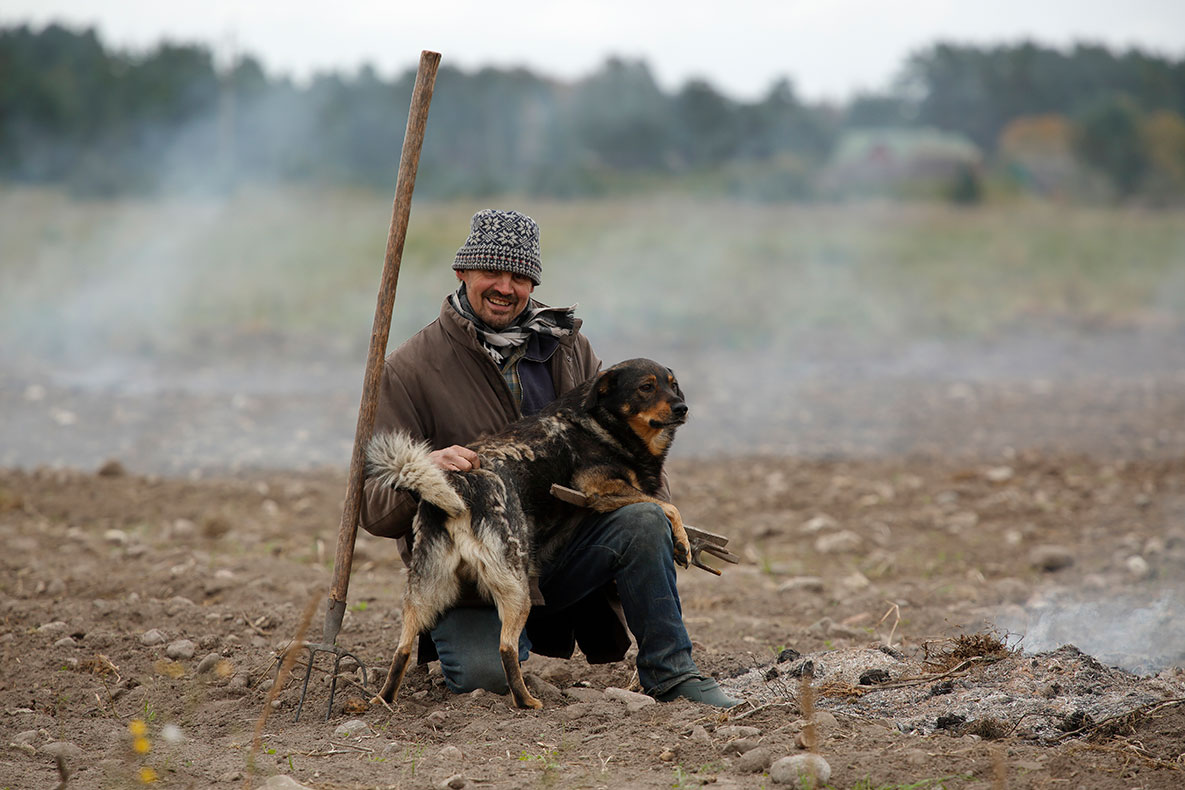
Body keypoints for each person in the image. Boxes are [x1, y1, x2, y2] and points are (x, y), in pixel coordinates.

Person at [360, 208, 738, 707]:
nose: (505, 286)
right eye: (491, 272)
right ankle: (490, 644)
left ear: (533, 283)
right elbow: (371, 507)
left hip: (560, 553)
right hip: (475, 575)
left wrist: (660, 515)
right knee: (485, 681)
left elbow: (626, 446)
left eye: (519, 276)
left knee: (646, 519)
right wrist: (423, 470)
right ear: (462, 273)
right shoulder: (408, 370)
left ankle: (672, 674)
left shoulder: (568, 348)